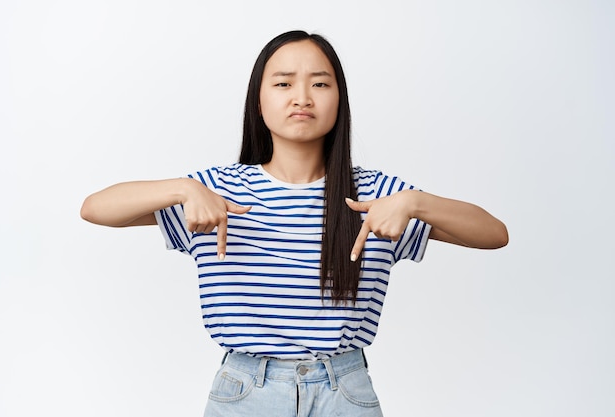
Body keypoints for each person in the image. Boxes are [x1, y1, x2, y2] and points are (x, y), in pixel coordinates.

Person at [81, 30, 508, 417]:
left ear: (339, 100)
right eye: (283, 83)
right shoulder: (216, 190)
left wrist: (417, 203)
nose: (302, 97)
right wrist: (180, 188)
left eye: (320, 84)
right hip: (245, 392)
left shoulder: (377, 195)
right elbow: (96, 208)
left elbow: (494, 234)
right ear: (259, 100)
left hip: (345, 391)